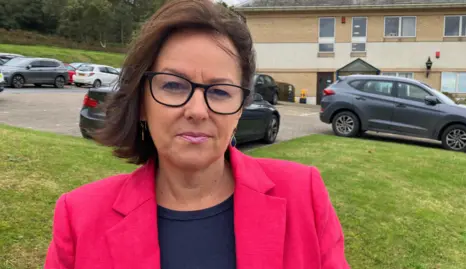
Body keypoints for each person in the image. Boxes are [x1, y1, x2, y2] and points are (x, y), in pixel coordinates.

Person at [44, 0, 350, 268]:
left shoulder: (303, 196)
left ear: (240, 108)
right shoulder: (81, 216)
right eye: (173, 86)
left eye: (219, 91)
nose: (198, 110)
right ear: (141, 102)